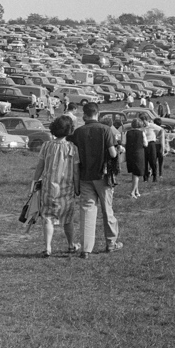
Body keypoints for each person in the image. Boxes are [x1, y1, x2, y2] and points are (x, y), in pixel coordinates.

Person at [69, 103, 121, 258]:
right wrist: (119, 150)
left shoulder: (78, 132)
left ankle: (86, 248)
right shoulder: (106, 130)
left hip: (85, 176)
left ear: (84, 115)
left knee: (87, 211)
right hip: (103, 176)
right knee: (107, 210)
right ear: (97, 114)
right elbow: (112, 154)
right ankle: (111, 243)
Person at [29, 116, 80, 257]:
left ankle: (47, 247)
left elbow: (40, 166)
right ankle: (71, 245)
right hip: (66, 188)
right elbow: (76, 170)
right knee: (68, 219)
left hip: (48, 188)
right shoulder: (72, 148)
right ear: (69, 130)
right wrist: (77, 187)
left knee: (47, 217)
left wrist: (34, 182)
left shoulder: (46, 146)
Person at [124, 119, 147, 198]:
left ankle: (137, 191)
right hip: (138, 153)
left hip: (129, 153)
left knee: (134, 172)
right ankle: (132, 192)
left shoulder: (127, 133)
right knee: (137, 172)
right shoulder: (141, 133)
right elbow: (146, 144)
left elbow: (124, 143)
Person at [141, 114, 159, 183]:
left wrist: (157, 137)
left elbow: (161, 129)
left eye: (143, 121)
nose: (142, 122)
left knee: (152, 161)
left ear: (146, 120)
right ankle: (145, 178)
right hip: (144, 145)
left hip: (151, 144)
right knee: (144, 162)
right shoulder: (141, 127)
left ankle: (154, 176)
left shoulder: (152, 126)